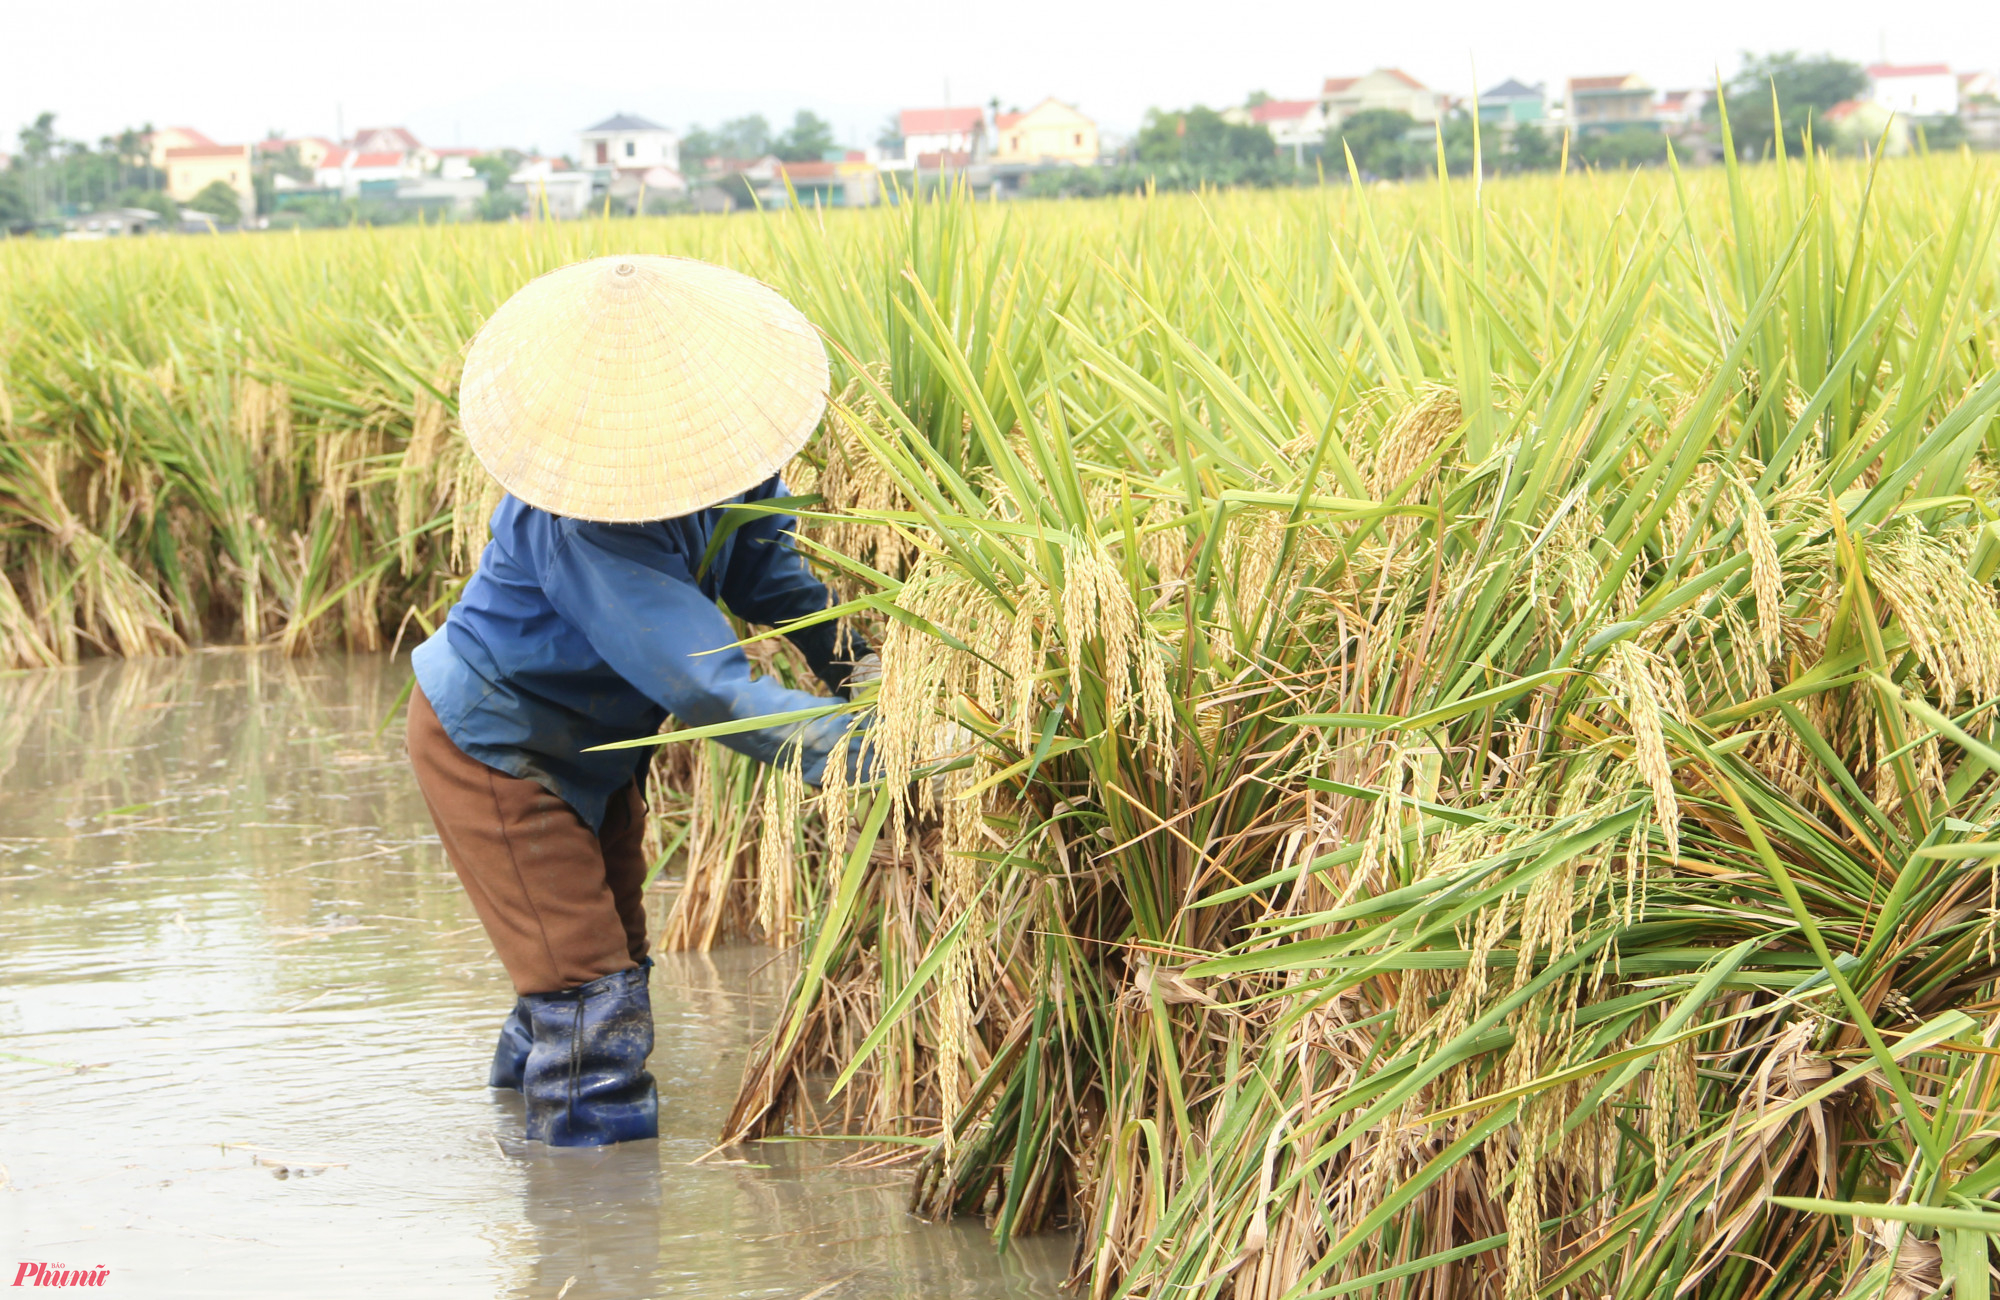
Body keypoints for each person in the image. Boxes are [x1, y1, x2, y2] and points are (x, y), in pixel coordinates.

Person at [405, 255, 872, 1148]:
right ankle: (595, 1235)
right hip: (501, 750)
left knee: (600, 956)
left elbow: (770, 571)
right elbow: (703, 683)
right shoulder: (582, 520)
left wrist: (865, 668)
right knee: (589, 991)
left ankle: (521, 1142)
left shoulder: (724, 460)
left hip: (599, 749)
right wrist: (866, 750)